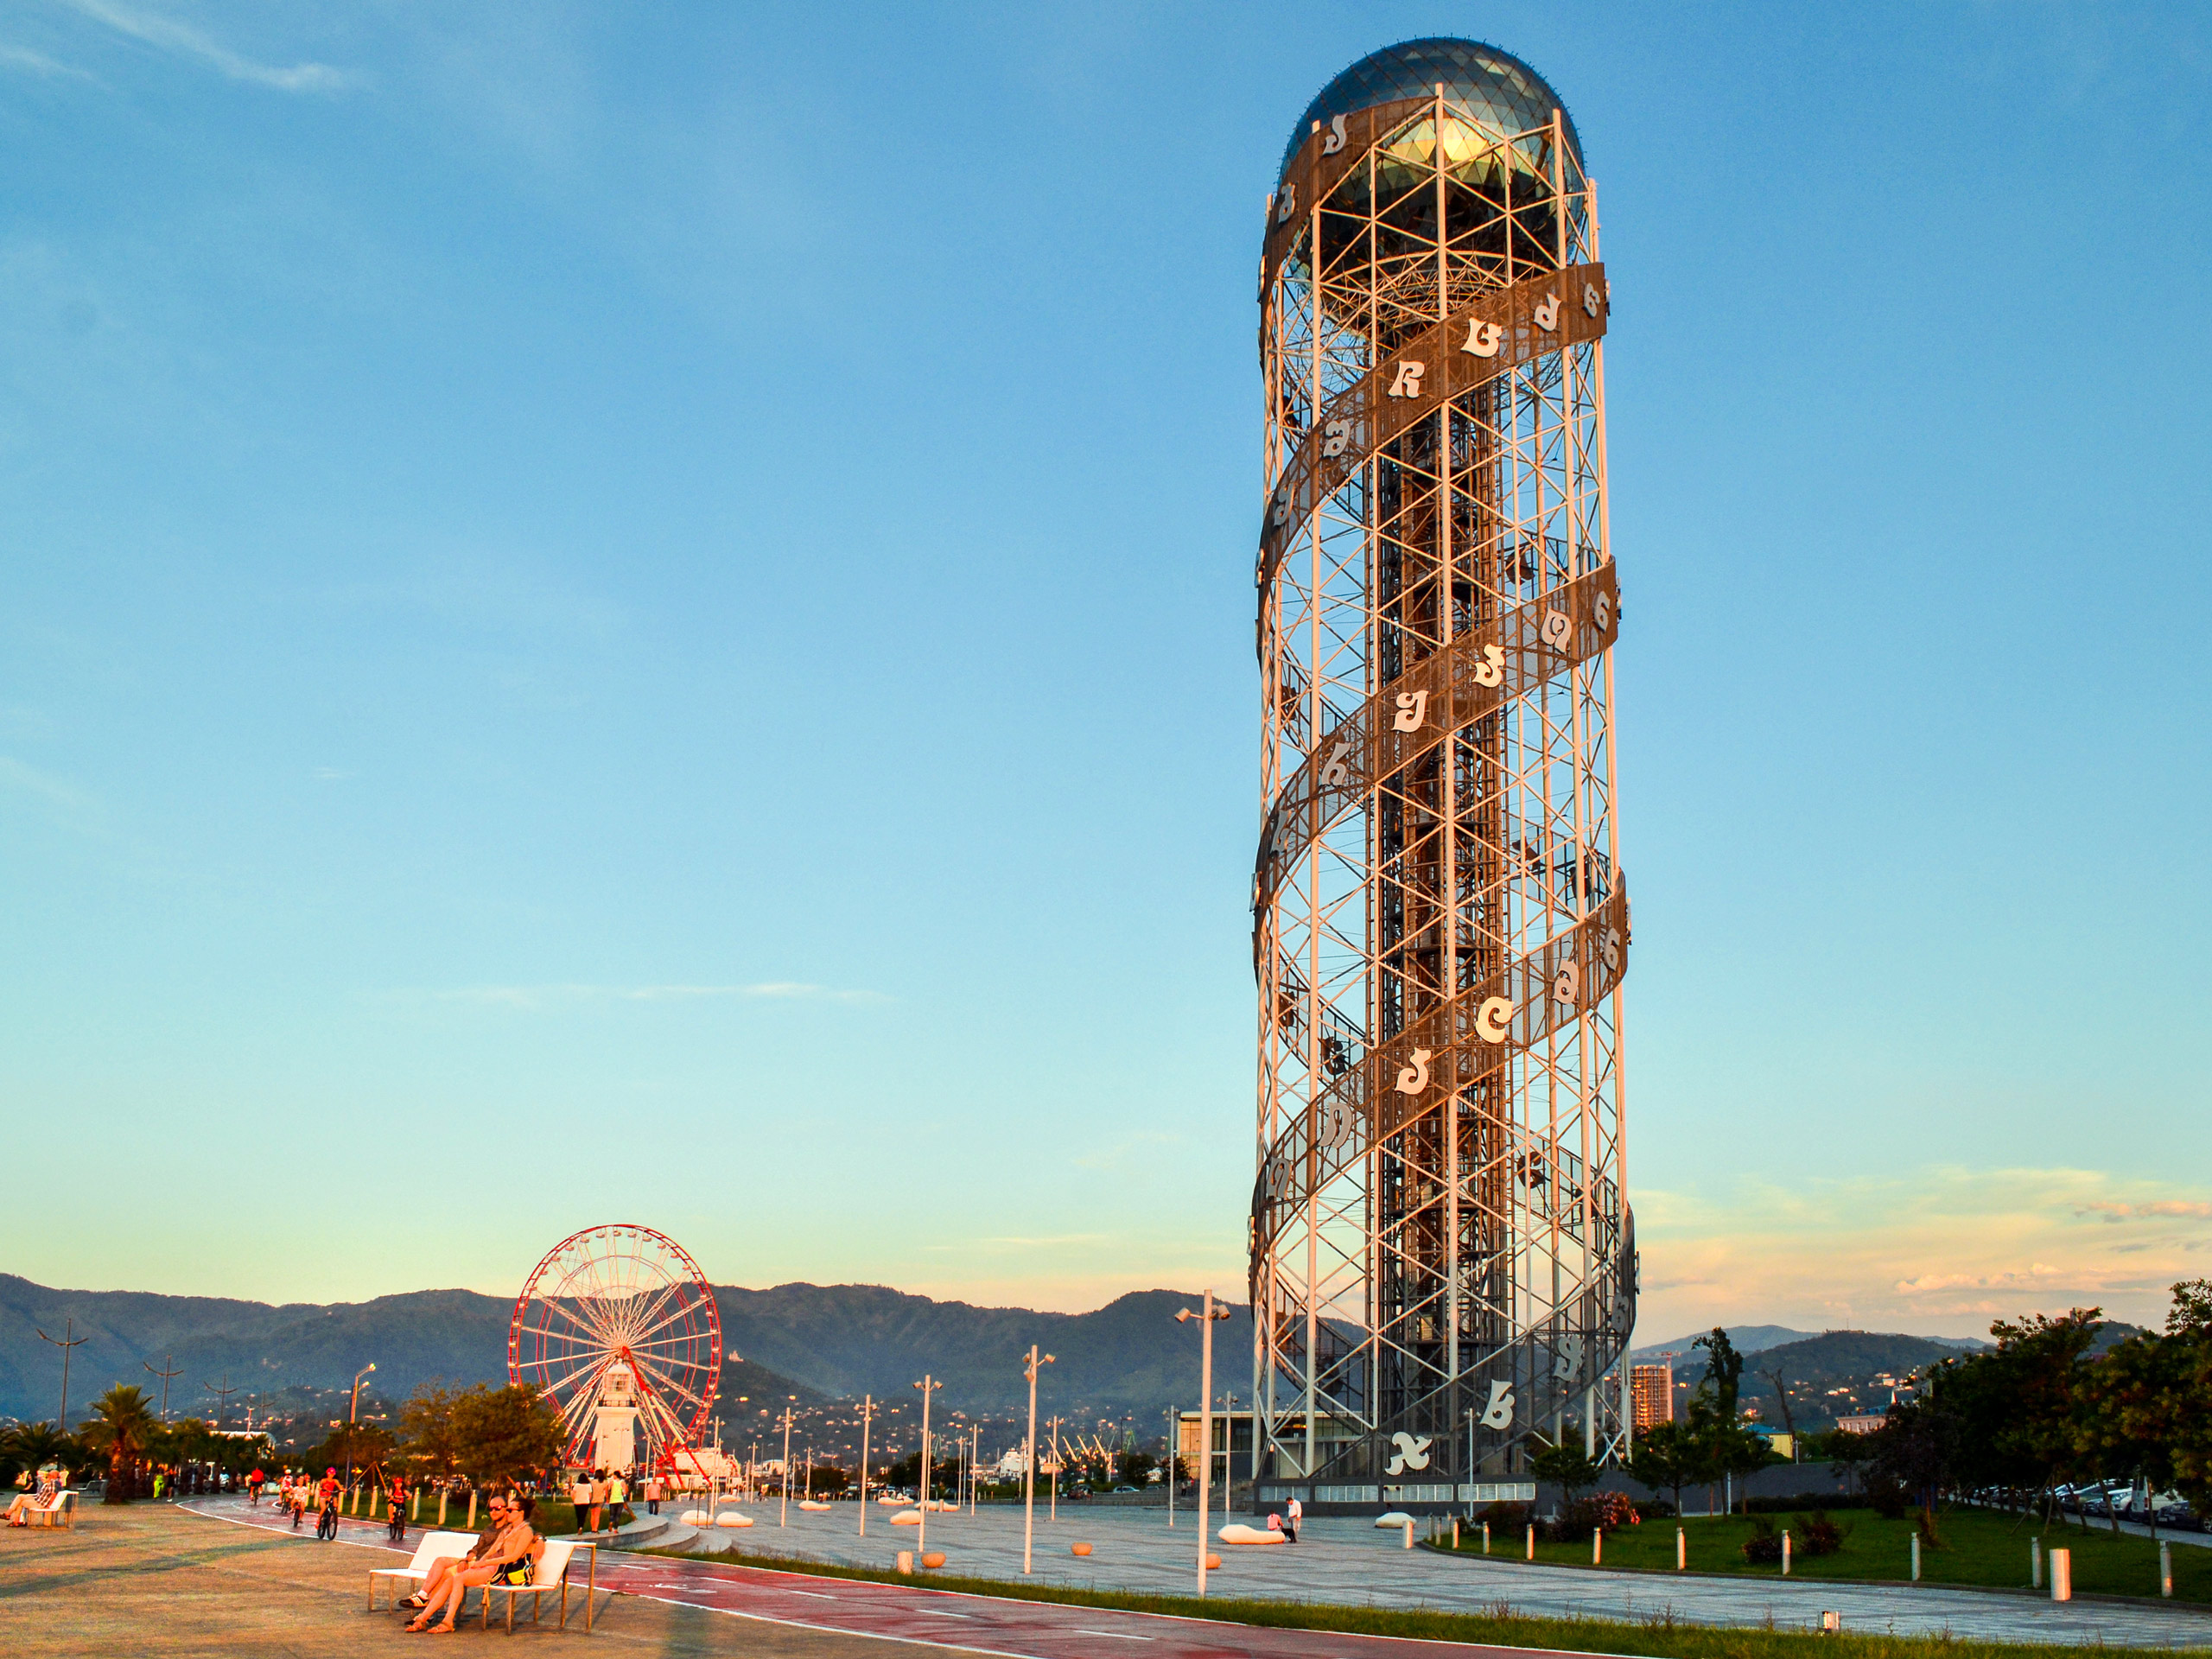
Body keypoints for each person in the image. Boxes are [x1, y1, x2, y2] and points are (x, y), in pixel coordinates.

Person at [406, 1496, 541, 1635]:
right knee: (449, 1579)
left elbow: (513, 1557)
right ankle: (423, 1618)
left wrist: (485, 1563)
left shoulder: (526, 1531)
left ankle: (448, 1621)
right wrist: (478, 1562)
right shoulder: (507, 1531)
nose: (507, 1512)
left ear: (521, 1513)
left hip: (503, 1571)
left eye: (510, 1510)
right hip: (491, 1566)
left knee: (459, 1578)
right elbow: (491, 1551)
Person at [400, 1493, 510, 1615]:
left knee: (446, 1574)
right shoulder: (489, 1529)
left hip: (486, 1565)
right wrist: (466, 1559)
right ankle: (423, 1595)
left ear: (506, 1509)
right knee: (440, 1561)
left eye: (498, 1508)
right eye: (491, 1509)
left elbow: (528, 1533)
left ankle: (427, 1612)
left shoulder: (509, 1530)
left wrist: (536, 1541)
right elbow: (477, 1548)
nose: (494, 1511)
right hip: (474, 1560)